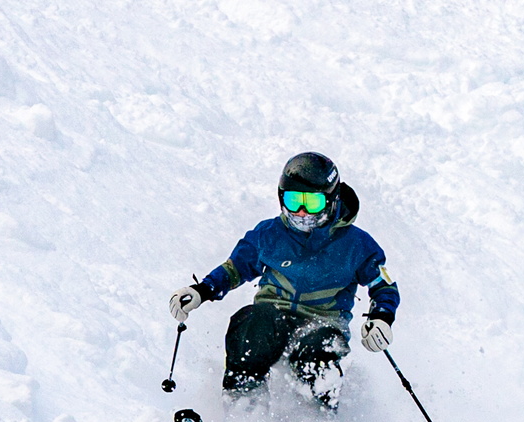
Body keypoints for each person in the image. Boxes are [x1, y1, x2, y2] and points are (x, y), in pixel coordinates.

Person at [169, 152, 398, 408]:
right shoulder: (269, 234)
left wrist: (382, 318)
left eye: (312, 203)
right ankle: (244, 407)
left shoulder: (357, 244)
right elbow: (235, 268)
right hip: (273, 316)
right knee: (251, 323)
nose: (301, 212)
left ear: (332, 200)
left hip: (323, 322)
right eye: (293, 201)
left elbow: (383, 285)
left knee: (319, 351)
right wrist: (202, 290)